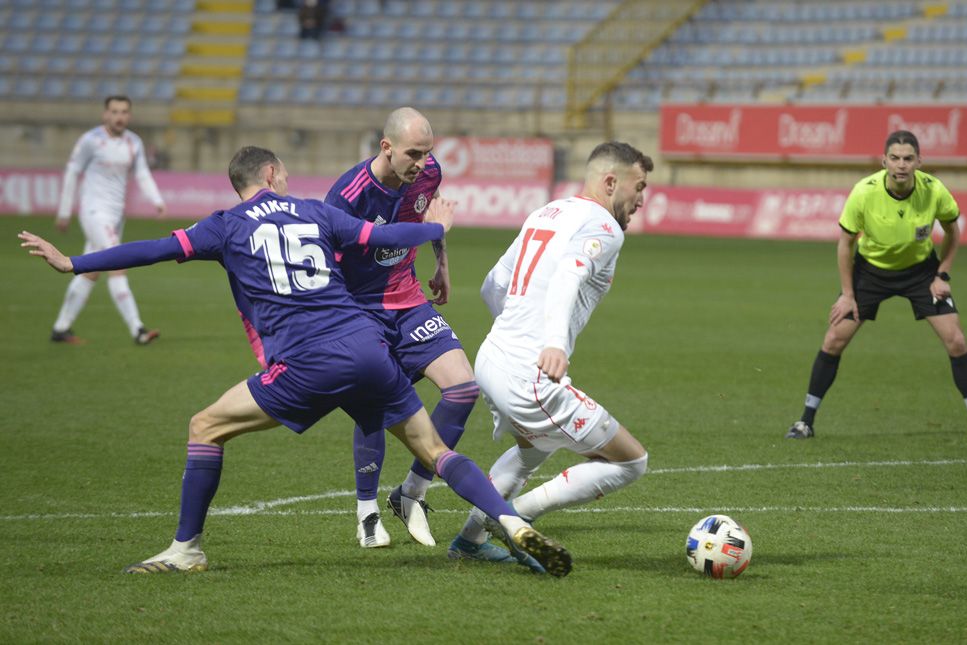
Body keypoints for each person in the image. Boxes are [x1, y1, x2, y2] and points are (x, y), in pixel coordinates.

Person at [18, 145, 572, 577]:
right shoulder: (314, 211)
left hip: (307, 362)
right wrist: (436, 229)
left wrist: (74, 263)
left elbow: (154, 249)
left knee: (205, 427)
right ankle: (507, 520)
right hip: (367, 347)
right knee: (434, 449)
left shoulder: (224, 225)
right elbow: (383, 235)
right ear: (274, 174)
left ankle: (186, 550)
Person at [445, 142, 653, 570]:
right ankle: (516, 517)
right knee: (632, 461)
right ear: (610, 181)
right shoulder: (603, 227)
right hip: (530, 373)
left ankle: (470, 539)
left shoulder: (547, 212)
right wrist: (552, 341)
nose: (641, 200)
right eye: (639, 186)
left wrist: (516, 331)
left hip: (491, 357)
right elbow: (569, 274)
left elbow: (493, 284)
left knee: (531, 449)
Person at [323, 107, 478, 550]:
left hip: (408, 300)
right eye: (413, 153)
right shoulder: (348, 195)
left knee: (464, 388)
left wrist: (442, 263)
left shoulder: (429, 173)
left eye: (428, 153)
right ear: (386, 148)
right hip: (361, 309)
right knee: (374, 405)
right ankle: (366, 513)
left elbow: (430, 216)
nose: (422, 163)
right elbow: (326, 262)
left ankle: (412, 492)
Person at [785, 130, 967, 445]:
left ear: (919, 162)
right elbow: (845, 244)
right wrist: (847, 294)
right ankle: (805, 422)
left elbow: (953, 232)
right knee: (833, 340)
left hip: (921, 273)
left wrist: (943, 274)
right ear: (884, 161)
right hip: (870, 273)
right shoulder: (863, 193)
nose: (901, 165)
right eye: (895, 158)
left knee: (956, 341)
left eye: (908, 159)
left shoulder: (934, 190)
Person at [51, 95, 167, 346]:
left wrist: (156, 200)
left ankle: (61, 328)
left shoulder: (133, 142)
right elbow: (72, 172)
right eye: (114, 111)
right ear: (105, 114)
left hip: (115, 216)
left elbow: (142, 173)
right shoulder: (91, 141)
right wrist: (63, 211)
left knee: (91, 270)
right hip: (94, 211)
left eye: (124, 111)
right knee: (118, 262)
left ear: (129, 115)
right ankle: (138, 329)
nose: (119, 116)